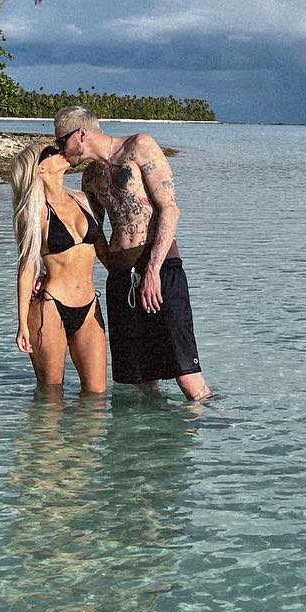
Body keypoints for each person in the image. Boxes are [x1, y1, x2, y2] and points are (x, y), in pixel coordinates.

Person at [54, 105, 212, 401]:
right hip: (121, 280)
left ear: (81, 135)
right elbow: (90, 232)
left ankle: (218, 433)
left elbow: (170, 210)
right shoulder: (90, 178)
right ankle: (146, 443)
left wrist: (153, 270)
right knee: (141, 382)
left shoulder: (139, 147)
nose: (61, 150)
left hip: (160, 271)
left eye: (61, 141)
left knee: (189, 380)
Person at [6, 138, 108, 395]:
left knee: (97, 397)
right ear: (39, 169)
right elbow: (27, 267)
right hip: (51, 306)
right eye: (51, 152)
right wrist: (21, 324)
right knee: (51, 399)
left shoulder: (83, 199)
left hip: (89, 305)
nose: (60, 151)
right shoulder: (33, 213)